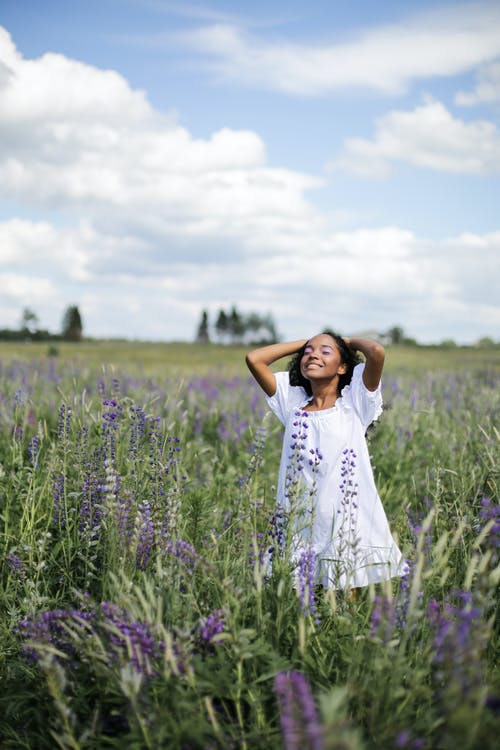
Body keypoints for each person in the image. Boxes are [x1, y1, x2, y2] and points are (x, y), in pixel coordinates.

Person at [246, 331, 405, 590]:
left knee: (344, 598)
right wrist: (308, 342)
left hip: (345, 518)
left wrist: (347, 343)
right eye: (308, 352)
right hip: (299, 519)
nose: (313, 355)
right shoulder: (293, 403)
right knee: (296, 599)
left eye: (325, 351)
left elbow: (376, 352)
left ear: (343, 366)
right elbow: (254, 359)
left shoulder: (355, 402)